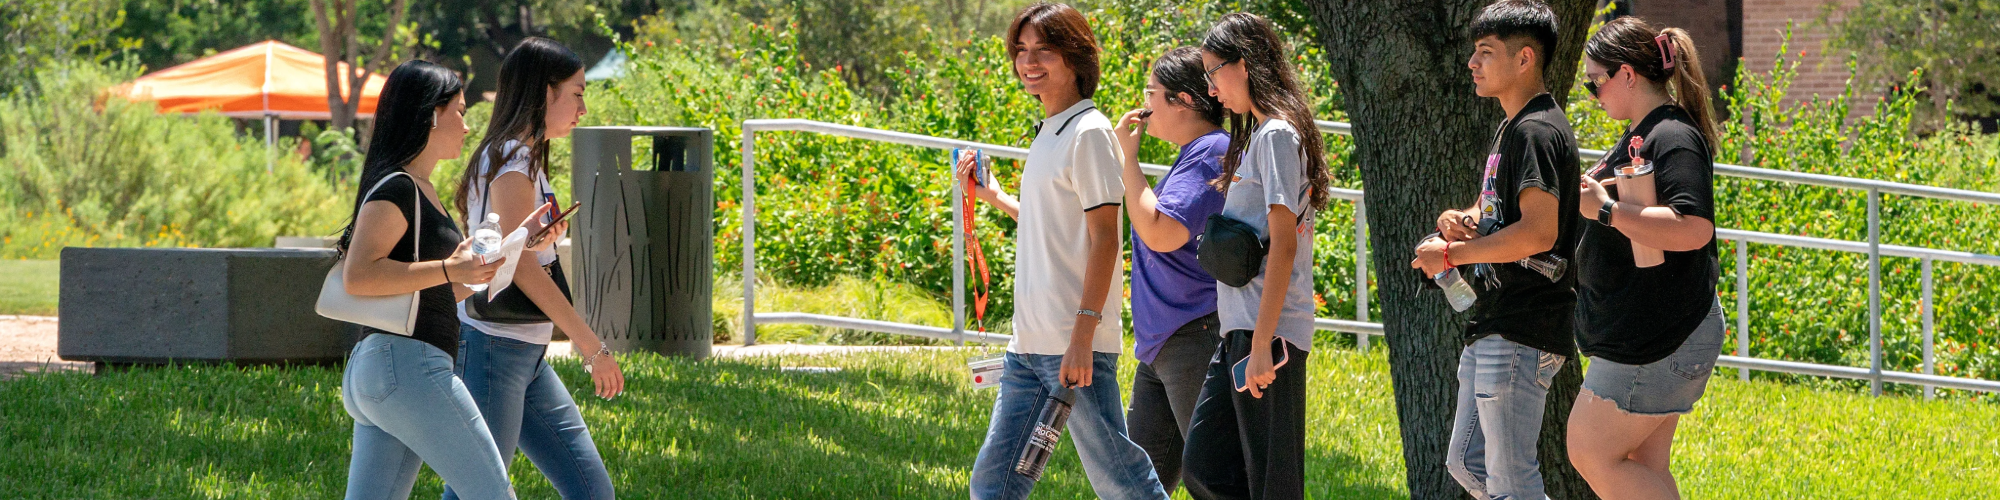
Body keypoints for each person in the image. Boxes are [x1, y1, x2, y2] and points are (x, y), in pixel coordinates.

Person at [958, 3, 1168, 500]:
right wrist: (992, 196)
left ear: (1074, 57)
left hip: (1071, 346)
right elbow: (1052, 224)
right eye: (1022, 51)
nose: (1029, 62)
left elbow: (1105, 237)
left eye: (1044, 51)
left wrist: (1082, 337)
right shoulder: (1053, 130)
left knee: (1122, 482)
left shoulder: (1089, 132)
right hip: (1028, 346)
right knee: (994, 482)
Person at [338, 59, 548, 500]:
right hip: (409, 366)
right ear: (433, 114)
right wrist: (452, 267)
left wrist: (516, 244)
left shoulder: (418, 187)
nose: (468, 127)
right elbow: (358, 276)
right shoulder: (397, 188)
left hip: (386, 370)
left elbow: (435, 287)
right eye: (461, 111)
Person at [1409, 1, 1580, 498]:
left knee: (1511, 480)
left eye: (1485, 52)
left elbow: (1538, 233)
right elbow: (1497, 214)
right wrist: (1461, 221)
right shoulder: (1514, 127)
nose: (1472, 62)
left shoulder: (1536, 130)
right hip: (1496, 322)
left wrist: (1450, 256)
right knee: (1467, 464)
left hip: (1522, 328)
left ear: (1524, 59)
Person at [443, 37, 623, 500]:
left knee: (591, 492)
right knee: (478, 492)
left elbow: (513, 247)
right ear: (546, 93)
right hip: (492, 352)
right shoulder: (511, 160)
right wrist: (591, 347)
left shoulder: (520, 157)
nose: (583, 107)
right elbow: (521, 268)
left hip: (524, 354)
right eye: (577, 93)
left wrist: (539, 240)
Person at [1566, 16, 1725, 500]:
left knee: (1589, 451)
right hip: (1655, 331)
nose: (1594, 94)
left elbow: (1694, 227)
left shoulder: (1672, 136)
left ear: (1628, 75)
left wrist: (1607, 210)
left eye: (1596, 82)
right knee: (1643, 465)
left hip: (1658, 338)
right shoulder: (1647, 131)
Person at [1179, 12, 1331, 500]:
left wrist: (1263, 343)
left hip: (1269, 334)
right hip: (1240, 330)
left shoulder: (1278, 136)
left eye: (1212, 73)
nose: (1210, 88)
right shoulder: (1259, 137)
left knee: (1272, 481)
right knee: (1204, 467)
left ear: (1241, 65)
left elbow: (1284, 242)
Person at [1109, 46, 1231, 496]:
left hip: (1193, 338)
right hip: (1167, 344)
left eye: (1152, 94)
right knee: (1133, 484)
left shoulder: (1209, 152)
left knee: (1212, 480)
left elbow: (1161, 232)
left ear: (1184, 100)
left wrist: (1128, 158)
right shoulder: (1195, 153)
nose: (1144, 106)